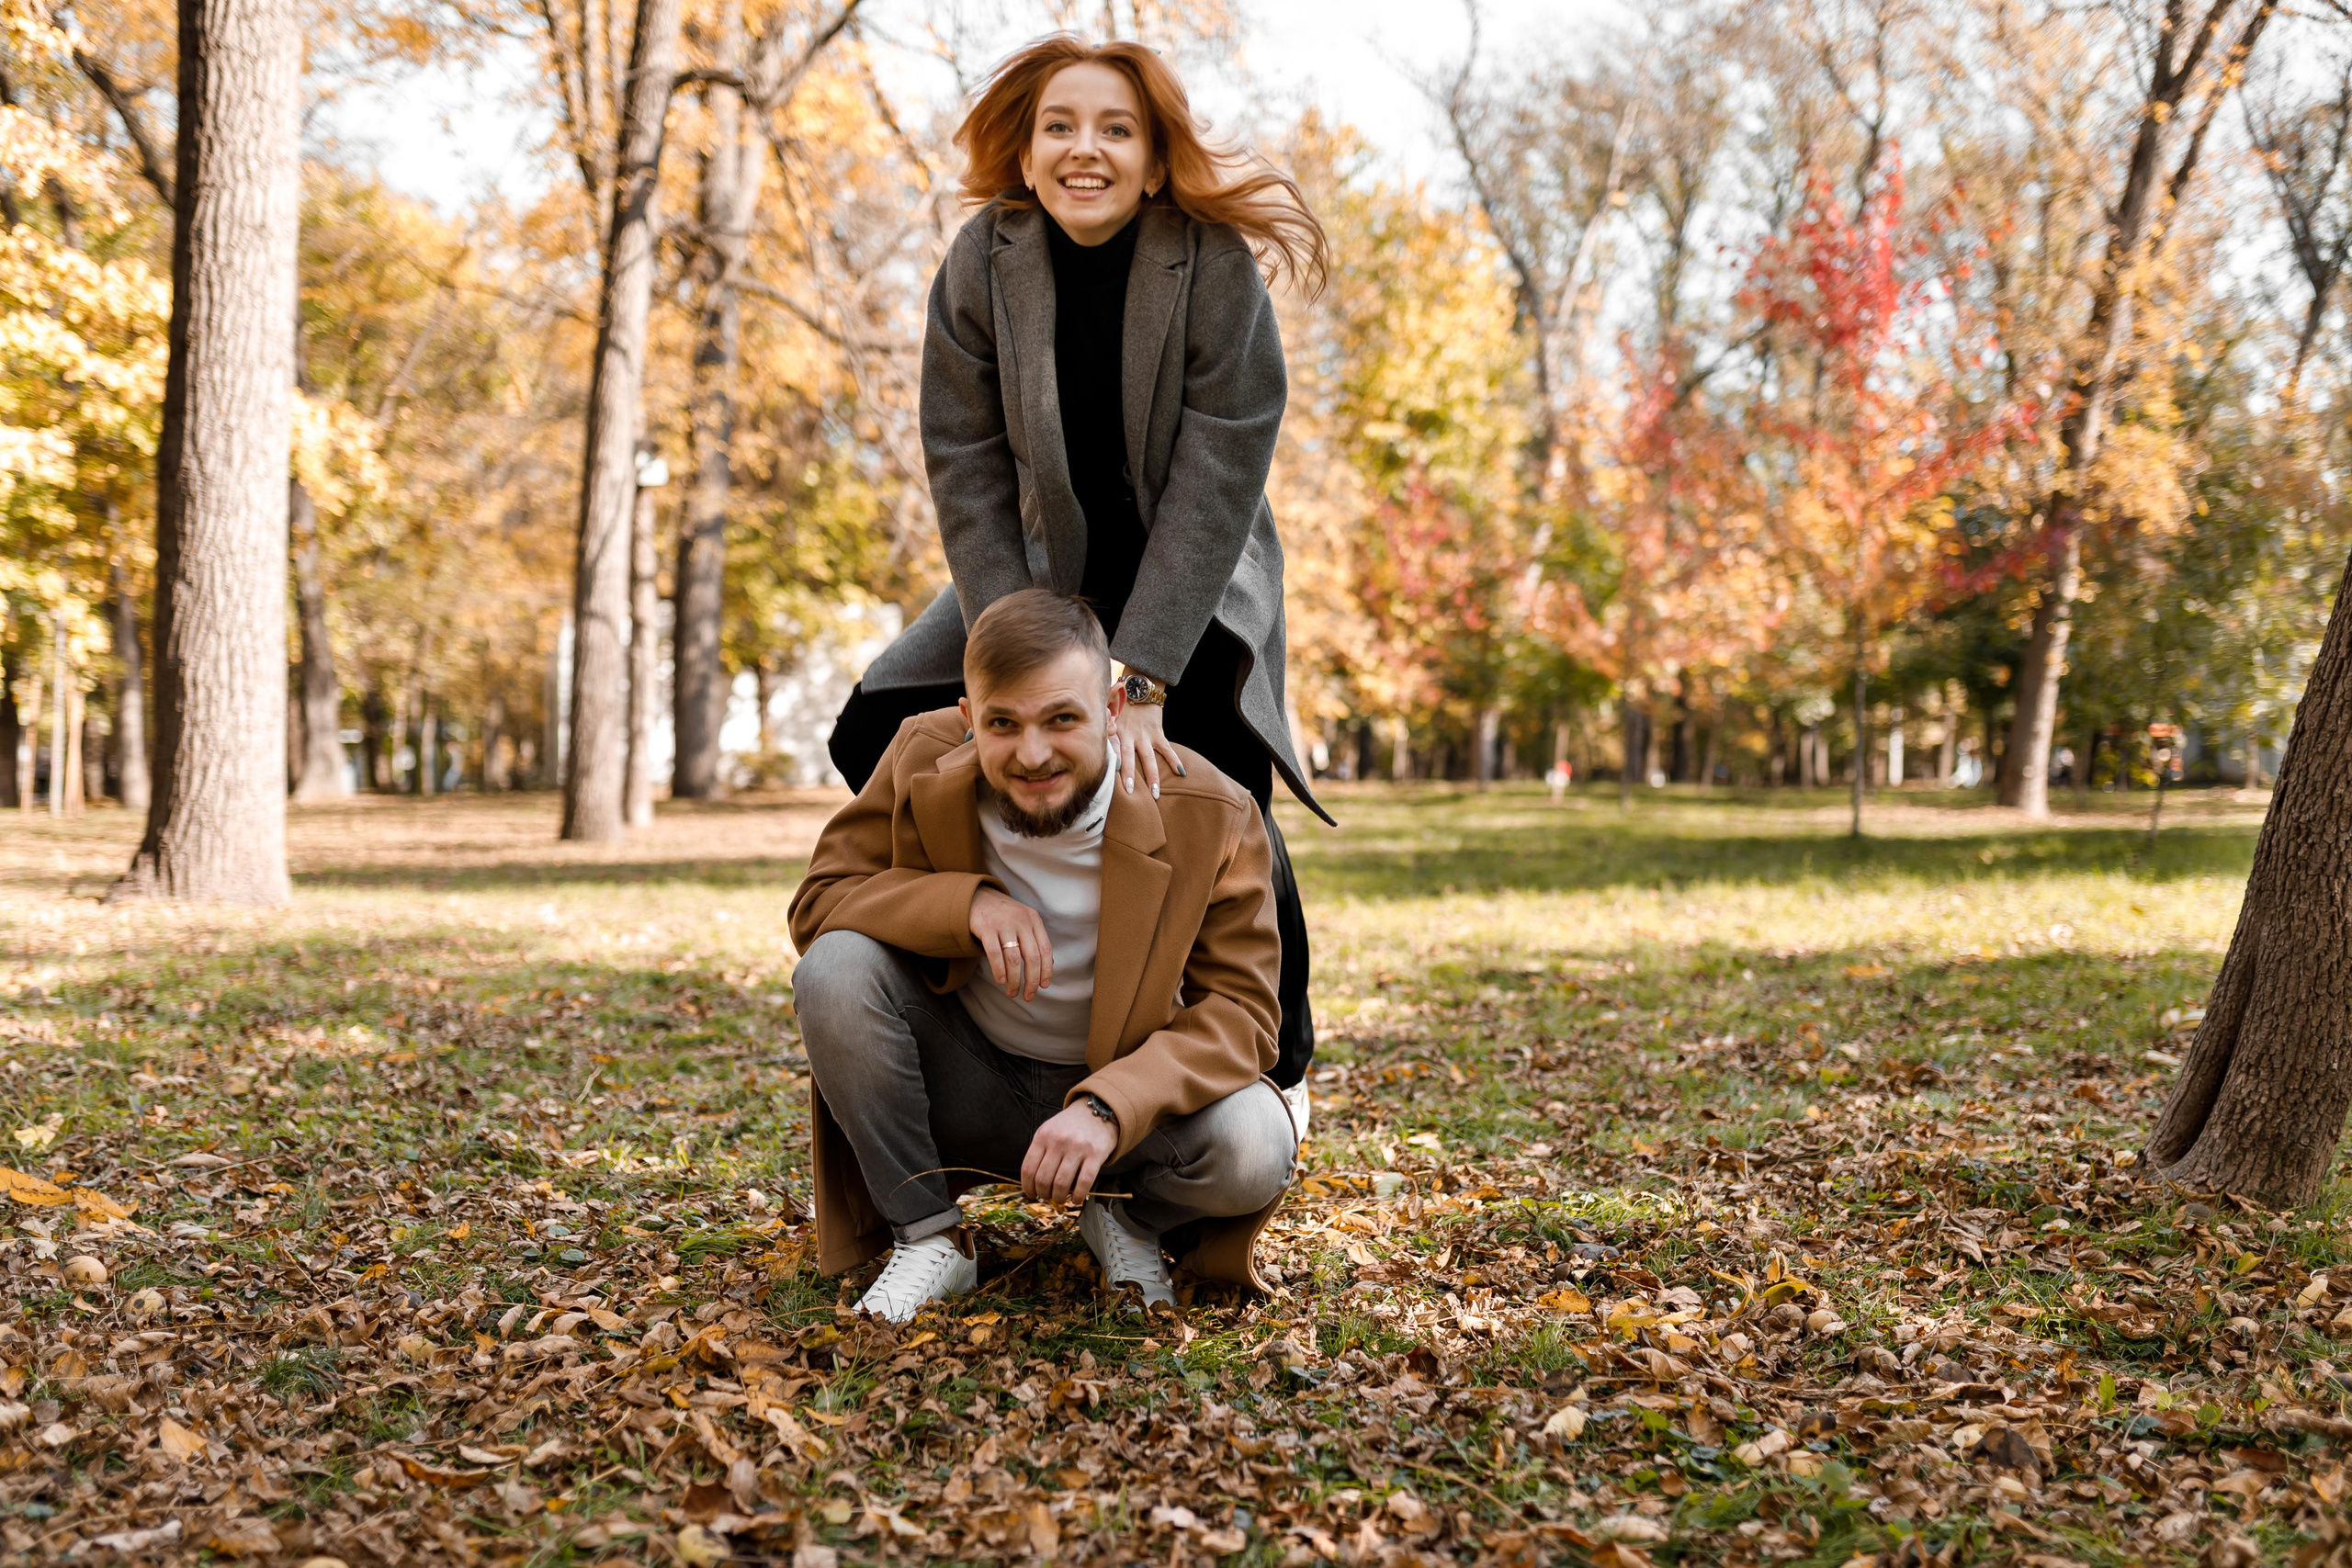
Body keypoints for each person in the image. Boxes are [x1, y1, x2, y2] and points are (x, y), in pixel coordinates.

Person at [823, 33, 1329, 1104]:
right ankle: (990, 947)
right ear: (1026, 149)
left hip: (1193, 580)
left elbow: (1220, 467)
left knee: (1215, 785)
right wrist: (1011, 656)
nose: (1082, 149)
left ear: (1153, 161)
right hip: (1041, 573)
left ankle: (1278, 1065)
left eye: (1115, 129)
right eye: (1059, 126)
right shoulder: (985, 259)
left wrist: (1139, 677)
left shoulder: (1211, 266)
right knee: (873, 725)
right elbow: (960, 456)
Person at [789, 591, 1299, 1323]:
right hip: (965, 1082)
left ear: (1114, 710)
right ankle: (929, 1236)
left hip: (1122, 1108)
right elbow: (820, 902)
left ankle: (1126, 1220)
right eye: (1003, 723)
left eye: (1062, 718)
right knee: (834, 968)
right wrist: (964, 904)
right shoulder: (919, 754)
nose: (1032, 754)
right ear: (969, 721)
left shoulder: (1211, 810)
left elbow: (1244, 1014)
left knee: (1256, 1140)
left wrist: (1109, 1104)